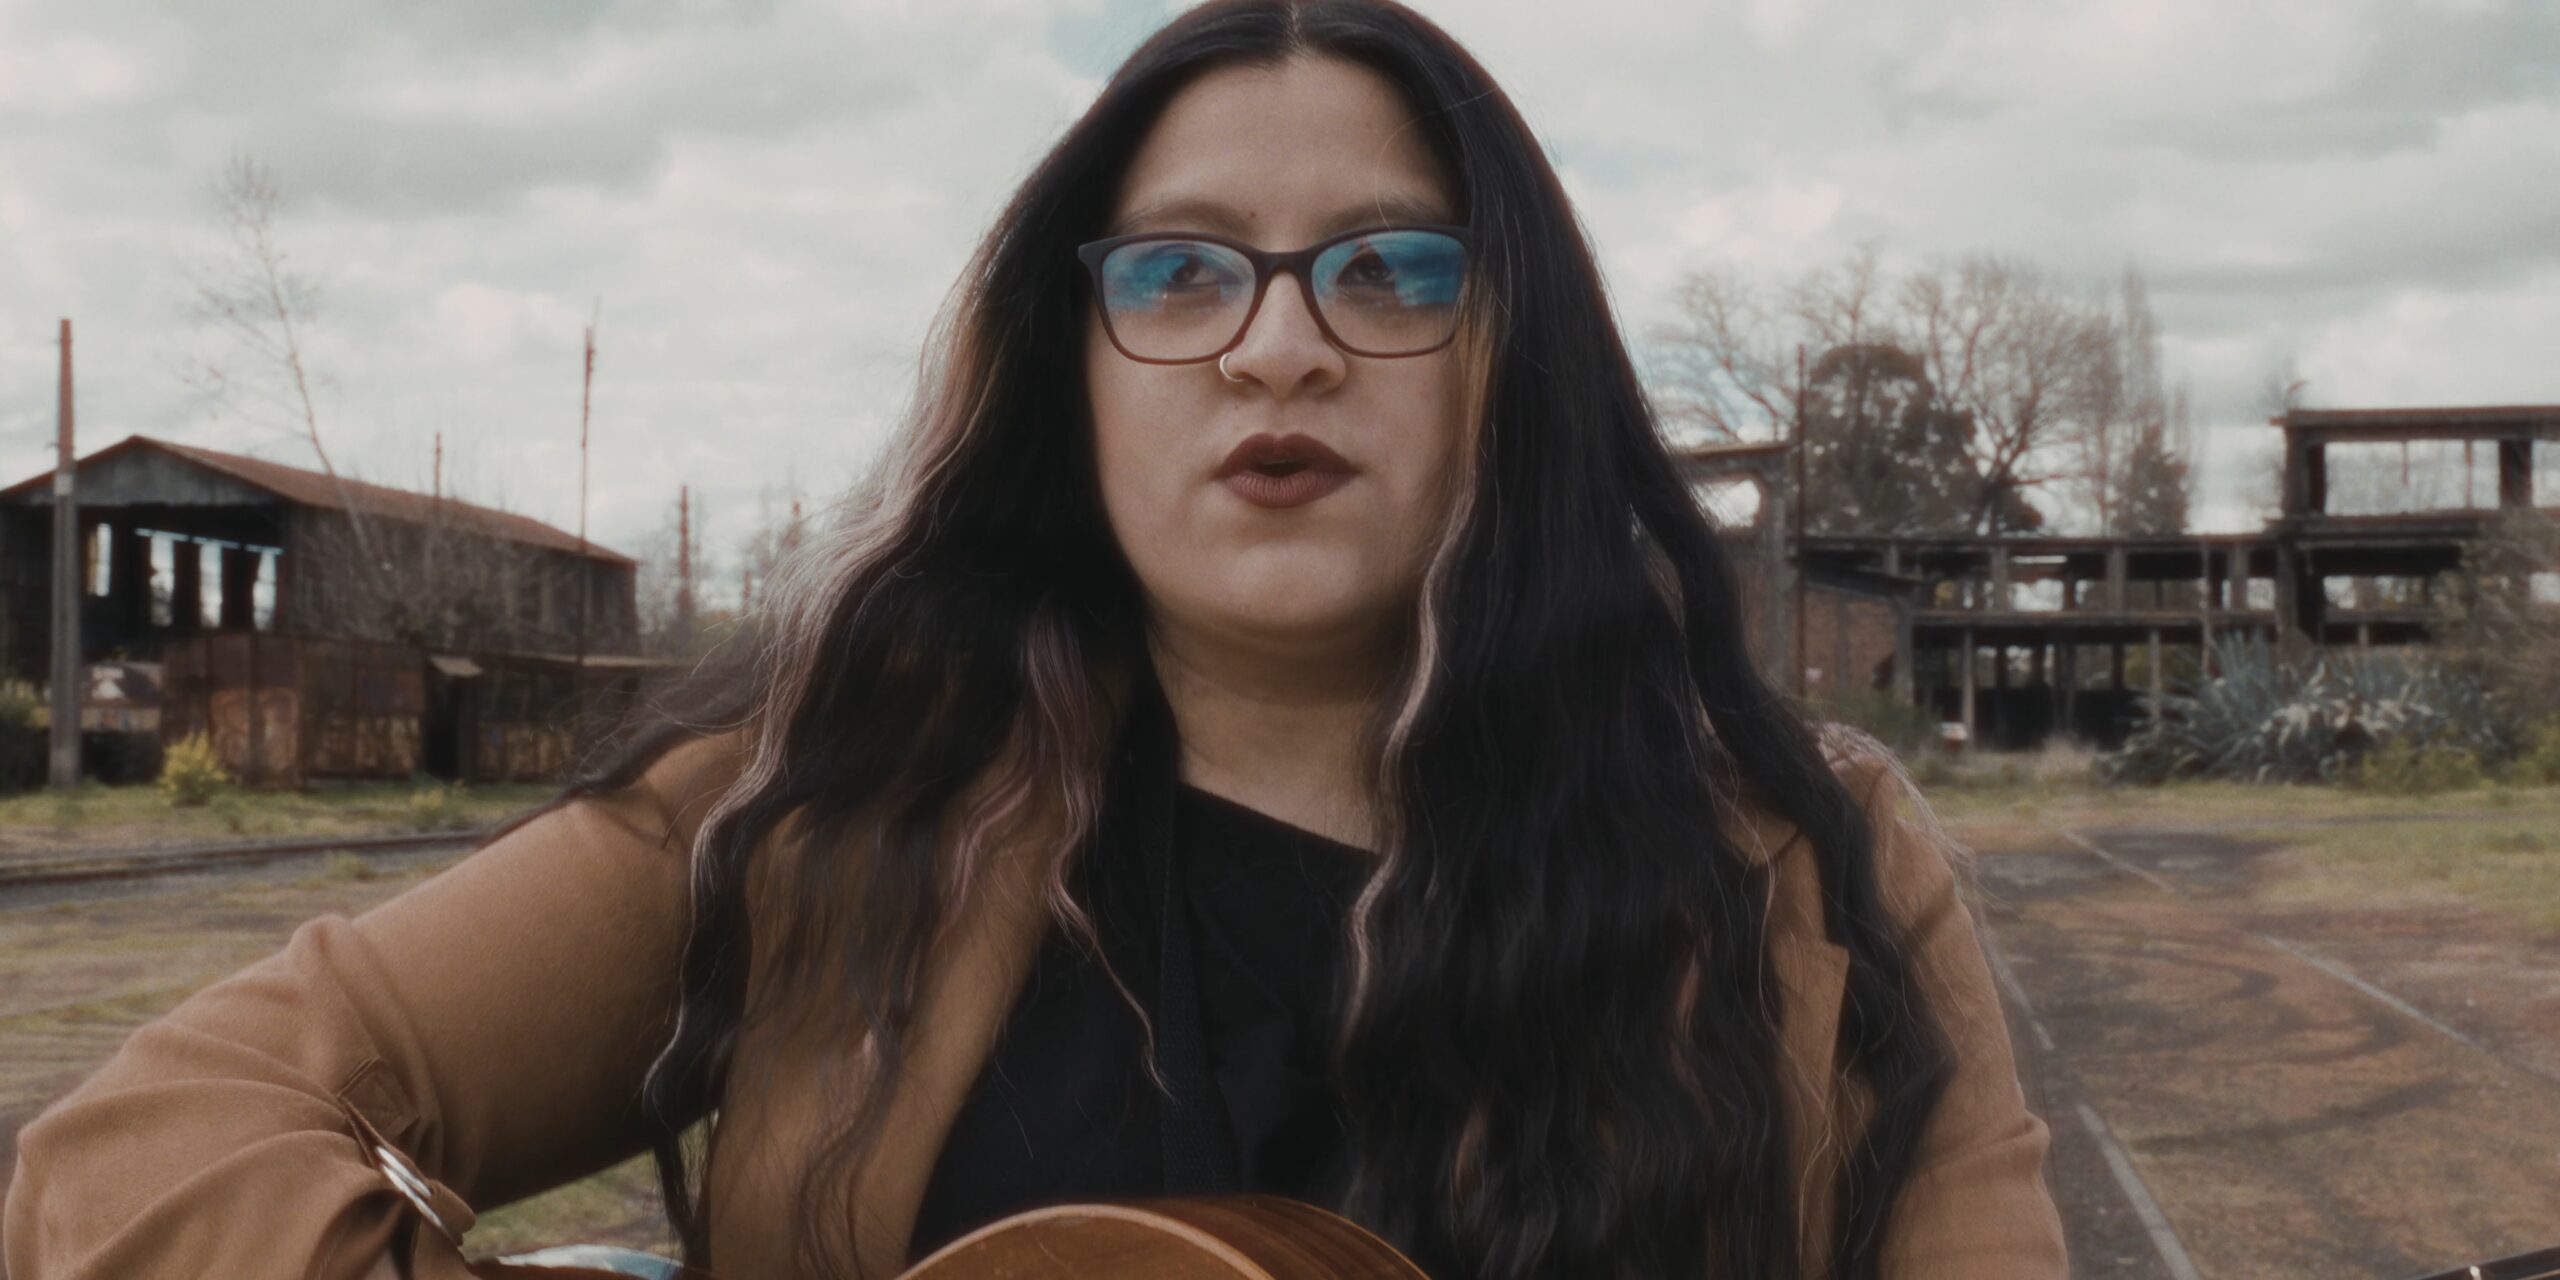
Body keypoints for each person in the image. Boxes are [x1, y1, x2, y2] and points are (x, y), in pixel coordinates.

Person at [2, 3, 2067, 1277]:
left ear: (1507, 356)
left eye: (1387, 268)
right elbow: (144, 1150)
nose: (1276, 346)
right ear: (1069, 369)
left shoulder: (1810, 860)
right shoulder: (828, 803)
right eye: (1178, 274)